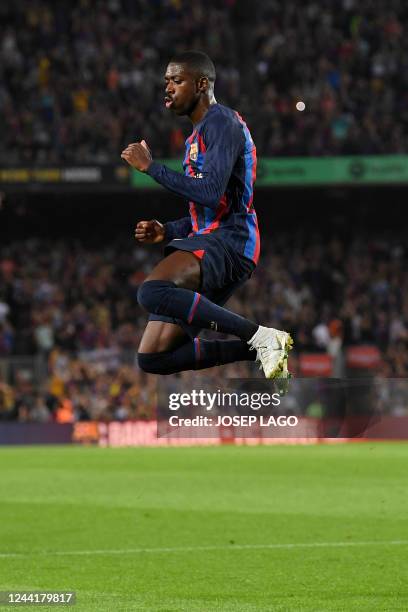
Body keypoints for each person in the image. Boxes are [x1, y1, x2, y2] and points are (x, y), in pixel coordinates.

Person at [121, 51, 293, 378]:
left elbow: (211, 194)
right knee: (153, 358)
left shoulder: (222, 123)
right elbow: (208, 209)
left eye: (177, 80)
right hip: (214, 237)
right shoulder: (196, 136)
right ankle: (262, 347)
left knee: (151, 291)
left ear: (201, 84)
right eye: (167, 81)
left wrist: (152, 168)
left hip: (231, 240)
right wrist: (168, 231)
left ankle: (259, 335)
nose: (168, 88)